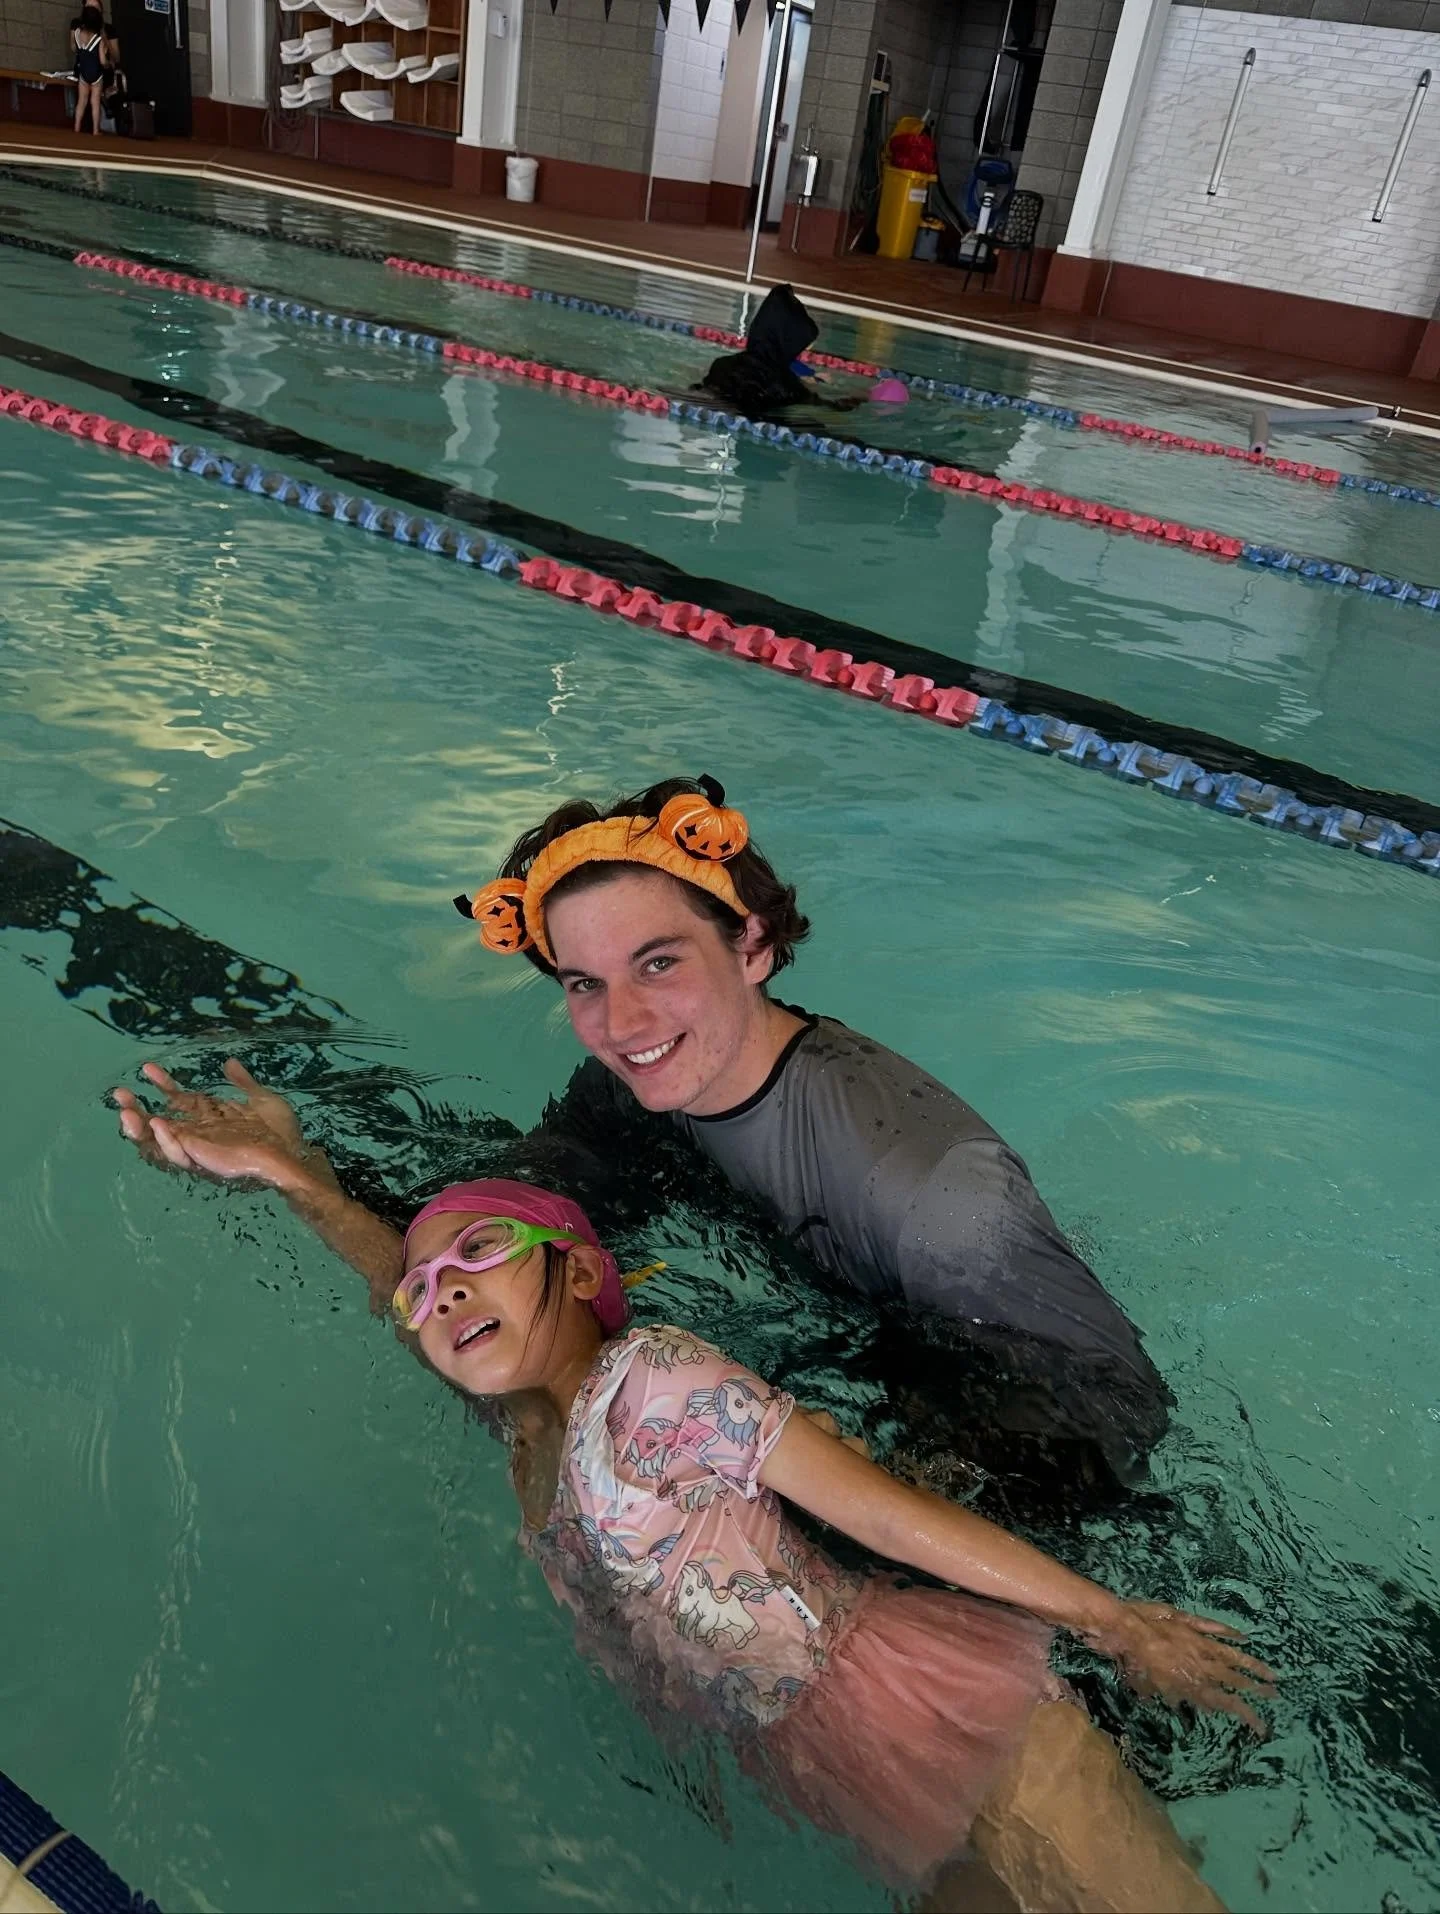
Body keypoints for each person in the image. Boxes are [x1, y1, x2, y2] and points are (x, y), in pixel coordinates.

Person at [113, 777, 1170, 1500]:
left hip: (962, 1400)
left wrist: (911, 1477)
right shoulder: (641, 1091)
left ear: (752, 945)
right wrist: (295, 1172)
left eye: (660, 964)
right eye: (586, 983)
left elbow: (1111, 1412)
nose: (620, 1025)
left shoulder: (937, 1201)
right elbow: (460, 1255)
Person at [257, 1170, 1275, 1906]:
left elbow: (877, 1510)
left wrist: (1111, 1622)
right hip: (824, 1765)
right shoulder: (534, 1440)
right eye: (429, 1289)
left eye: (481, 1255)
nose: (450, 1291)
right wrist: (292, 1175)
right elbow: (396, 1291)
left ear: (574, 1275)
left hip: (917, 1702)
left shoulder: (650, 1383)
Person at [70, 6, 107, 136]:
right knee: (95, 102)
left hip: (83, 72)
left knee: (81, 102)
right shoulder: (99, 39)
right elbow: (103, 61)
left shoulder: (77, 33)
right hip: (96, 73)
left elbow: (74, 48)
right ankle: (95, 130)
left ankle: (76, 128)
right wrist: (107, 64)